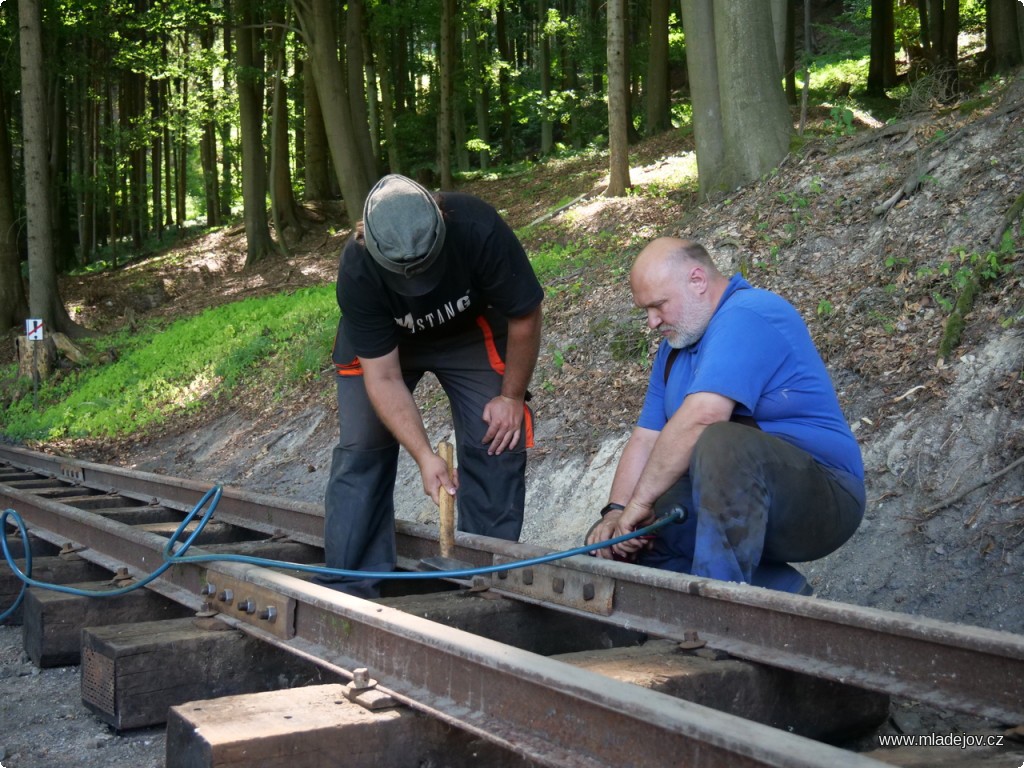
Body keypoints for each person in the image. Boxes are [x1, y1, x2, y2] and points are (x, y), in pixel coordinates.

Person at [585, 238, 864, 594]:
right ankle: (783, 595)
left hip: (824, 500)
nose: (652, 322)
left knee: (721, 442)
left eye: (658, 306)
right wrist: (617, 513)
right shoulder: (674, 350)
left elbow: (705, 416)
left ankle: (718, 617)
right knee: (631, 540)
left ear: (697, 280)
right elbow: (646, 437)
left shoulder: (749, 313)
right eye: (646, 310)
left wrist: (639, 503)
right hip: (739, 500)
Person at [321, 174, 544, 598]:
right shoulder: (357, 267)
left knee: (497, 435)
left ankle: (484, 574)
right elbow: (383, 377)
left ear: (442, 216)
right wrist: (424, 456)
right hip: (384, 349)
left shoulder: (477, 226)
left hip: (468, 333)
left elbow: (525, 314)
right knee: (362, 445)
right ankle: (352, 582)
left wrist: (511, 396)